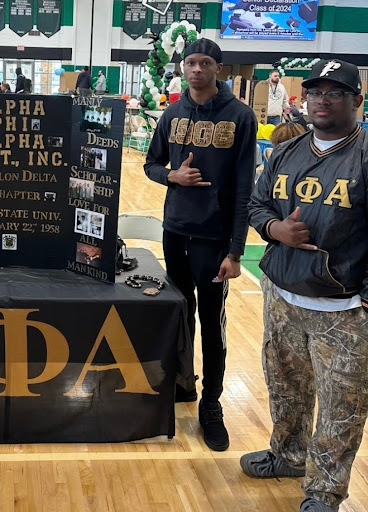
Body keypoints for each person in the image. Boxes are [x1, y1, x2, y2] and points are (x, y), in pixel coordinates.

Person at [243, 59, 368, 512]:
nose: (322, 100)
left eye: (335, 93)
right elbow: (257, 204)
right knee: (286, 387)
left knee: (342, 408)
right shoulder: (287, 151)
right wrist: (276, 231)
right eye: (316, 91)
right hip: (282, 294)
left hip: (342, 308)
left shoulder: (364, 154)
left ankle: (325, 492)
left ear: (356, 100)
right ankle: (288, 455)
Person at [144, 38, 257, 452]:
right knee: (179, 315)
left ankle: (212, 403)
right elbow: (151, 164)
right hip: (175, 231)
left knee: (212, 324)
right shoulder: (172, 113)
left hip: (215, 239)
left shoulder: (241, 117)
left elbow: (246, 188)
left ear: (218, 69)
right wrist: (172, 176)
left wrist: (235, 250)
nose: (196, 69)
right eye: (190, 62)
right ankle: (183, 383)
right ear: (183, 68)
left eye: (204, 63)